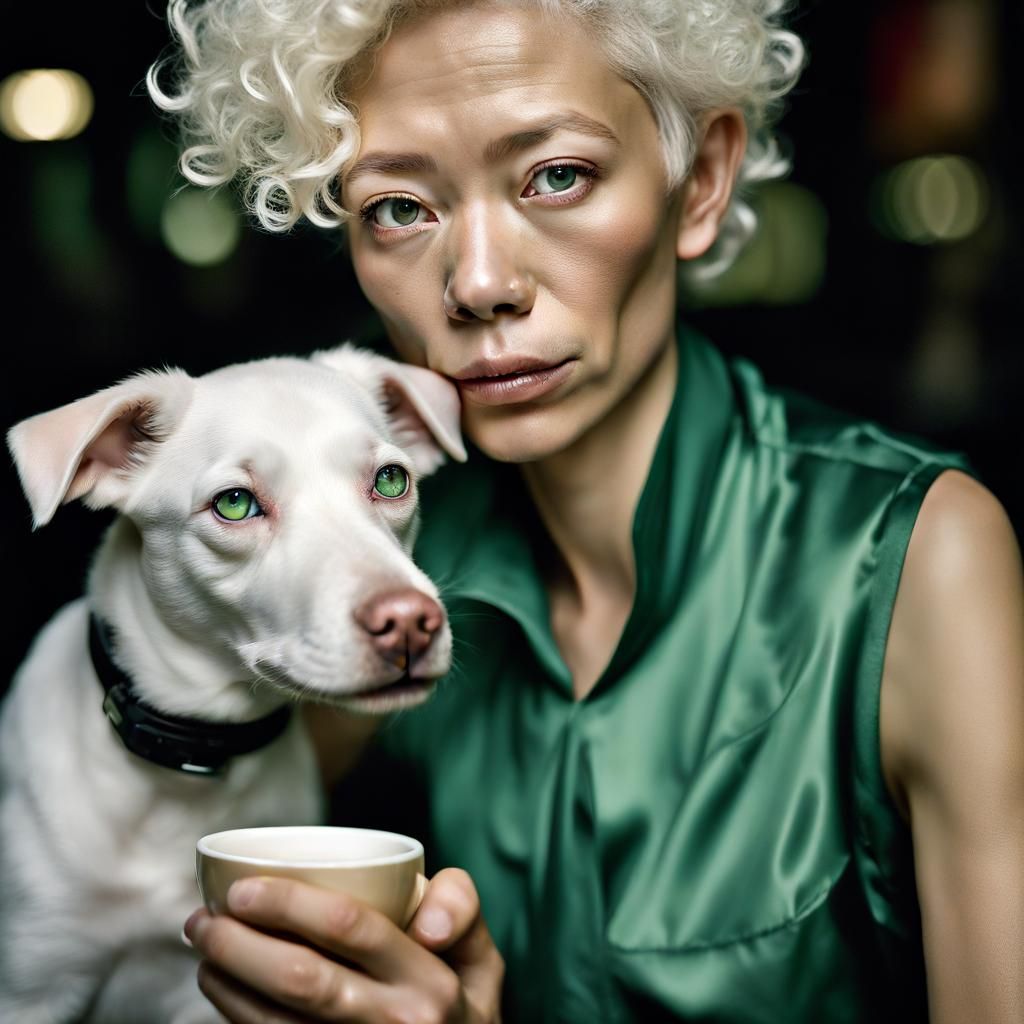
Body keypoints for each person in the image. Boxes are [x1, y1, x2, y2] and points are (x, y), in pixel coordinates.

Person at [148, 1, 1024, 1020]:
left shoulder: (917, 559)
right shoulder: (377, 575)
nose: (480, 284)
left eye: (555, 176)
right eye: (398, 207)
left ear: (702, 180)